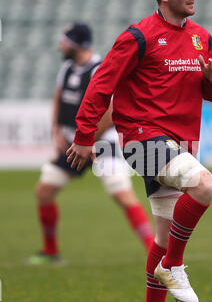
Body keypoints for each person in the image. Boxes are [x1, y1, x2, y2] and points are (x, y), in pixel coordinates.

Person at [66, 0, 212, 302]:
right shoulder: (137, 37)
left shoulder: (202, 38)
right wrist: (85, 136)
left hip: (181, 143)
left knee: (161, 235)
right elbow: (101, 85)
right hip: (142, 140)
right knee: (204, 186)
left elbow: (211, 93)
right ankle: (173, 265)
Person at [28, 22, 154, 265]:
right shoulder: (66, 68)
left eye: (64, 41)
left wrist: (88, 140)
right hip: (74, 144)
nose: (60, 45)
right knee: (44, 192)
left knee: (122, 194)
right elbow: (58, 97)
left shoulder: (100, 68)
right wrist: (56, 129)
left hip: (100, 143)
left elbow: (111, 108)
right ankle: (51, 251)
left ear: (75, 44)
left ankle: (154, 253)